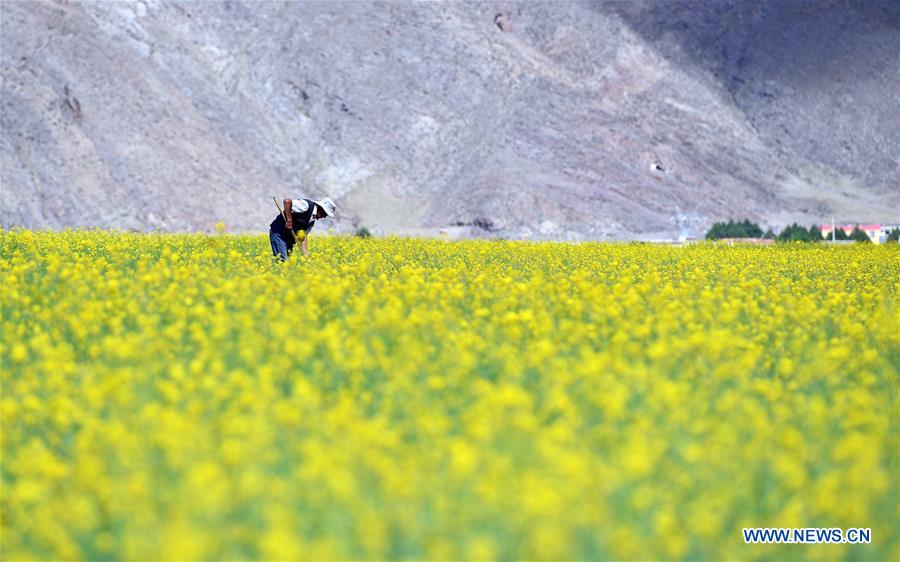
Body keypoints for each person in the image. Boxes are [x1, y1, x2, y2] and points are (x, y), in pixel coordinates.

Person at [270, 197, 336, 260]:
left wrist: (305, 253)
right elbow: (287, 202)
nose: (324, 217)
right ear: (321, 209)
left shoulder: (311, 221)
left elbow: (303, 236)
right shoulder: (306, 206)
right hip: (279, 233)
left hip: (288, 240)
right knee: (283, 261)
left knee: (287, 265)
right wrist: (289, 221)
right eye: (325, 214)